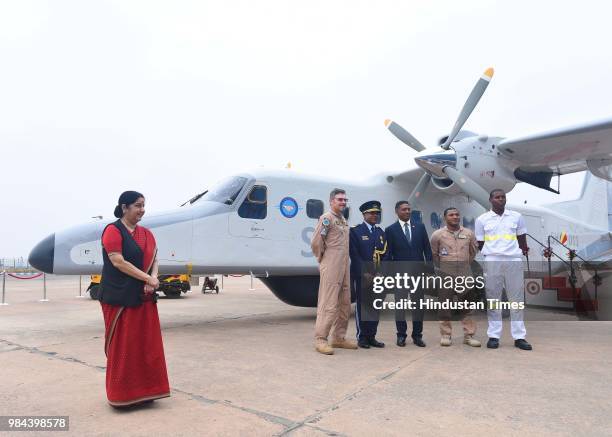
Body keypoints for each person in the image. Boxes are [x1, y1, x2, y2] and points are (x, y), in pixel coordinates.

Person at [99, 191, 171, 407]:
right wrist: (147, 277)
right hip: (119, 297)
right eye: (138, 205)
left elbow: (155, 258)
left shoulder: (147, 234)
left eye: (143, 205)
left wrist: (154, 278)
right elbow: (118, 262)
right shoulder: (112, 231)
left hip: (144, 297)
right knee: (124, 346)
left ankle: (148, 392)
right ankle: (122, 395)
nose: (142, 210)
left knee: (146, 345)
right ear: (124, 207)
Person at [475, 189, 532, 351]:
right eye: (497, 197)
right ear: (491, 200)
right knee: (493, 299)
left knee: (517, 300)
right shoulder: (482, 219)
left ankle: (519, 337)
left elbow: (522, 240)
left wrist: (518, 254)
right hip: (492, 260)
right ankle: (494, 336)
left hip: (513, 260)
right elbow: (480, 243)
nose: (501, 199)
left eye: (503, 197)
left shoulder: (517, 217)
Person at [311, 188, 358, 355]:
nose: (343, 202)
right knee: (328, 303)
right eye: (340, 199)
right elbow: (317, 242)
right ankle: (320, 339)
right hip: (331, 265)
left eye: (345, 200)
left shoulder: (343, 220)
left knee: (345, 302)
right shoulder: (327, 219)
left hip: (344, 266)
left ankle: (339, 337)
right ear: (331, 201)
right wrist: (323, 259)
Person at [430, 207, 480, 347]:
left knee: (467, 305)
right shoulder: (438, 235)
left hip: (464, 272)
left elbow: (472, 252)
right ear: (445, 218)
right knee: (445, 305)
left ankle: (469, 336)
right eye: (451, 215)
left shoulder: (469, 233)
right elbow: (434, 254)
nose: (455, 217)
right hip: (446, 272)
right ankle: (446, 335)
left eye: (457, 214)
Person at [385, 201, 432, 347]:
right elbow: (388, 254)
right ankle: (401, 335)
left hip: (418, 275)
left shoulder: (420, 227)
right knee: (400, 306)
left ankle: (417, 336)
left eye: (409, 209)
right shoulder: (390, 230)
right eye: (404, 209)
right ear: (397, 211)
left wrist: (429, 271)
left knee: (418, 306)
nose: (407, 212)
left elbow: (427, 250)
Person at [349, 200, 387, 349]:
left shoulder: (380, 233)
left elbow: (386, 255)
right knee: (362, 306)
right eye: (371, 213)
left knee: (375, 306)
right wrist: (365, 273)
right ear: (364, 214)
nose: (375, 215)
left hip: (378, 277)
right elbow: (354, 254)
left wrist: (381, 273)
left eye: (377, 213)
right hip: (362, 276)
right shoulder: (355, 231)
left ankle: (372, 336)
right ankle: (362, 337)